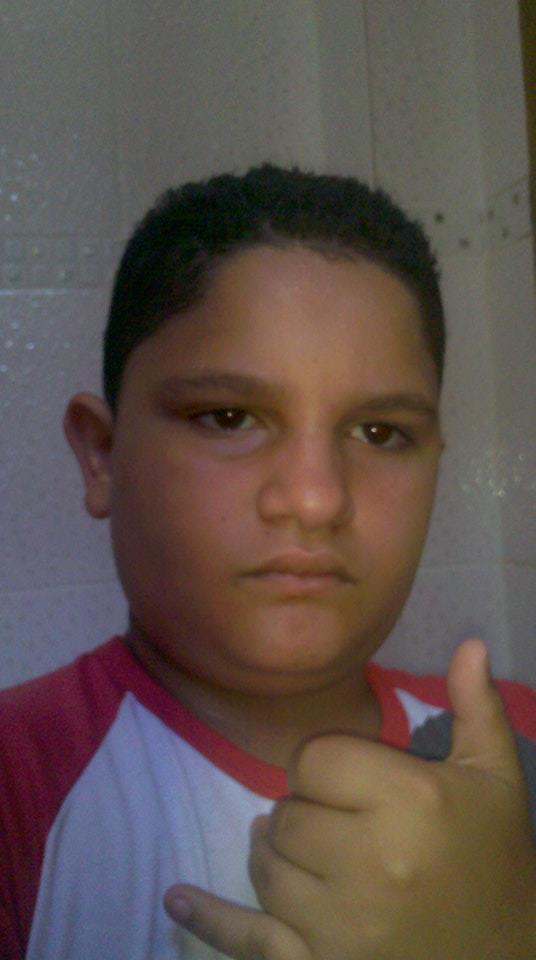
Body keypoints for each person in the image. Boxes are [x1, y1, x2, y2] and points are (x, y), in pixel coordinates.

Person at [1, 164, 535, 960]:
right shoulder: (17, 786)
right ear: (103, 454)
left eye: (381, 433)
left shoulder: (516, 753)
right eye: (227, 417)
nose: (316, 499)